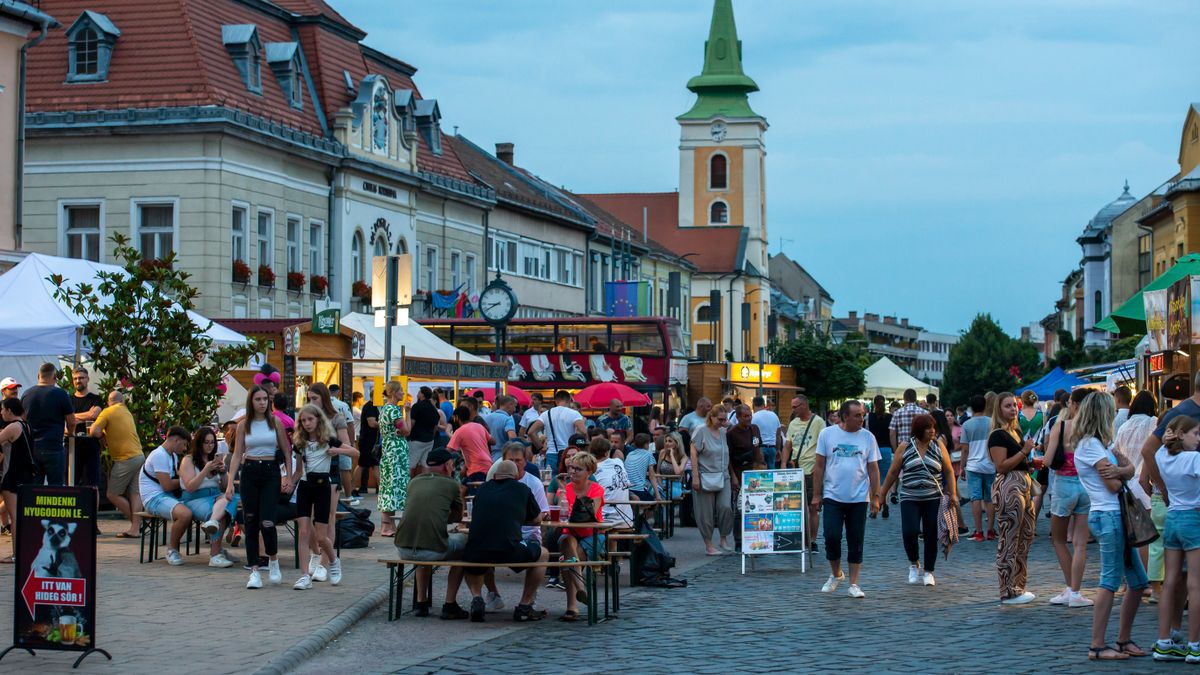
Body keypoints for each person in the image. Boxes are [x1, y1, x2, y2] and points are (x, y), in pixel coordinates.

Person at [1072, 391, 1147, 660]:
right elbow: (1114, 484)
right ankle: (1097, 645)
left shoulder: (1101, 445)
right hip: (1108, 515)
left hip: (1115, 515)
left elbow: (1127, 468)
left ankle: (1123, 639)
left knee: (1138, 582)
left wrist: (1122, 470)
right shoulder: (1091, 446)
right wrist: (1122, 471)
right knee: (1110, 580)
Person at [461, 460, 548, 623]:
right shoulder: (522, 488)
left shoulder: (483, 489)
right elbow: (537, 520)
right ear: (515, 476)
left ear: (494, 475)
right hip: (509, 548)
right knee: (543, 553)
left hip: (476, 551)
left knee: (472, 552)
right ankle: (524, 605)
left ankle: (477, 597)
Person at [812, 400, 881, 598]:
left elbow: (873, 469)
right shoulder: (828, 434)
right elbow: (819, 466)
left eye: (862, 415)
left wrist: (876, 496)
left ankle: (854, 583)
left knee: (855, 540)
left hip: (858, 497)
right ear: (844, 417)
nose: (862, 418)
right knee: (832, 537)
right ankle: (836, 574)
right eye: (857, 415)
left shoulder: (868, 437)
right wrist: (817, 494)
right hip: (833, 495)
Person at [226, 385, 294, 588]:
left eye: (265, 399)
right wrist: (230, 482)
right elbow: (237, 454)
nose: (263, 402)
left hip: (270, 472)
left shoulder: (275, 422)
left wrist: (288, 477)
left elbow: (287, 451)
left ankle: (273, 560)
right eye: (258, 399)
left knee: (267, 521)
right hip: (250, 471)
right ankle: (254, 569)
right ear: (251, 402)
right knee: (250, 520)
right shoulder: (243, 425)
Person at [878, 414, 956, 587]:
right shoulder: (905, 446)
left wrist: (954, 493)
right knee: (910, 532)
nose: (932, 431)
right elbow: (892, 472)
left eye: (933, 427)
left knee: (930, 534)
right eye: (928, 428)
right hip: (909, 497)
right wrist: (882, 494)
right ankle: (914, 563)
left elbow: (949, 471)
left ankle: (929, 571)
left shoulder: (938, 445)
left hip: (933, 497)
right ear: (919, 430)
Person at [394, 448, 470, 619]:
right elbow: (458, 517)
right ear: (447, 465)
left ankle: (421, 602)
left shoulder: (414, 481)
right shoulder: (451, 484)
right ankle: (450, 604)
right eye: (451, 465)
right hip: (432, 550)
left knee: (424, 542)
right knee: (465, 545)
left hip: (402, 547)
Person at [1149, 416, 1200, 661]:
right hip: (1193, 519)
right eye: (1196, 434)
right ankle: (1194, 644)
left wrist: (1167, 438)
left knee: (1169, 581)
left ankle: (1164, 641)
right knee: (1195, 583)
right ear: (1182, 435)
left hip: (1173, 519)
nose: (1198, 439)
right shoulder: (1194, 459)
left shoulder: (1163, 457)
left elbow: (1156, 449)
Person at [291, 404, 352, 590]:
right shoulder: (300, 442)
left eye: (310, 419)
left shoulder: (328, 440)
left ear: (318, 420)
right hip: (304, 485)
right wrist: (288, 482)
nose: (307, 423)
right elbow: (299, 470)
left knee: (321, 537)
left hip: (323, 486)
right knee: (302, 531)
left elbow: (354, 452)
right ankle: (303, 575)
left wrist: (337, 451)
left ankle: (333, 560)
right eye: (303, 420)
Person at [1042, 388, 1093, 608]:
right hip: (1086, 486)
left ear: (1073, 404)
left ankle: (1071, 588)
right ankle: (1075, 591)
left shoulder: (1061, 426)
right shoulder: (1093, 429)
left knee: (1059, 540)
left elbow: (1047, 459)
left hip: (1063, 486)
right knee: (1081, 544)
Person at [989, 392, 1038, 605]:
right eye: (1007, 406)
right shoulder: (997, 435)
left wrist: (1031, 463)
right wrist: (1024, 452)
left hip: (1024, 486)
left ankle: (1018, 585)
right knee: (1009, 539)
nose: (1013, 409)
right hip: (1009, 488)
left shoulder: (1015, 432)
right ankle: (1007, 589)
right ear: (998, 410)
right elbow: (1001, 465)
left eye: (1014, 405)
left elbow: (1017, 461)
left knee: (1025, 537)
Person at [556, 451, 605, 621]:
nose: (573, 472)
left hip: (592, 534)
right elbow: (562, 513)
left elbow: (589, 515)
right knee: (566, 543)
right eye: (571, 468)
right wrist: (562, 490)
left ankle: (572, 606)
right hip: (570, 534)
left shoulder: (596, 489)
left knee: (566, 560)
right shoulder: (566, 488)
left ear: (589, 472)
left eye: (578, 469)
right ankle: (581, 587)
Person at [90, 390, 144, 538]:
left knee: (112, 494)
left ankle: (136, 523)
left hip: (125, 458)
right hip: (139, 456)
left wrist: (102, 436)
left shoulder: (108, 412)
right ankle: (135, 529)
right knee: (135, 493)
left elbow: (93, 431)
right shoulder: (126, 412)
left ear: (109, 401)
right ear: (123, 401)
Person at [179, 427, 235, 568]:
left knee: (231, 498)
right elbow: (190, 487)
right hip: (194, 498)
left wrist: (223, 472)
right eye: (206, 442)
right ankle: (215, 555)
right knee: (224, 511)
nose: (210, 446)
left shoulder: (214, 459)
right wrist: (205, 470)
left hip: (215, 496)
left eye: (212, 442)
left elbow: (225, 487)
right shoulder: (188, 460)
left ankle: (212, 523)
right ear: (199, 443)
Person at [139, 426, 195, 567]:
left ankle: (217, 550)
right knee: (185, 514)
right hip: (153, 499)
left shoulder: (173, 456)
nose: (184, 449)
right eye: (184, 444)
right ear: (176, 441)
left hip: (167, 496)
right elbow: (167, 485)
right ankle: (172, 549)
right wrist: (187, 481)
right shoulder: (159, 455)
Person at [20, 362, 76, 485]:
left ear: (38, 376)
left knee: (33, 488)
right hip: (53, 447)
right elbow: (72, 421)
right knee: (55, 488)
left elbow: (22, 420)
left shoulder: (26, 394)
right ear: (54, 377)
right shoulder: (61, 394)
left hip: (32, 448)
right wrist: (70, 433)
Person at [690, 405, 735, 555]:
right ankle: (708, 544)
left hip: (723, 475)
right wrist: (695, 476)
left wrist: (732, 475)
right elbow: (693, 452)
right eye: (720, 419)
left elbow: (726, 454)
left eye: (724, 419)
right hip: (705, 475)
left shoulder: (723, 431)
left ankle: (723, 538)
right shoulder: (701, 430)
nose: (722, 422)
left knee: (726, 507)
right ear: (711, 417)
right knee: (706, 513)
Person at [783, 395, 825, 550]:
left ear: (805, 405)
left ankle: (812, 540)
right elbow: (788, 445)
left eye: (796, 406)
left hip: (812, 470)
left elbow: (823, 444)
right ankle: (797, 538)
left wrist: (820, 464)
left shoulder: (818, 422)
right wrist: (783, 464)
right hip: (795, 470)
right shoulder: (793, 424)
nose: (793, 410)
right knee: (794, 507)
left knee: (813, 507)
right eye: (792, 406)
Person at [0, 398, 34, 562]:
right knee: (16, 513)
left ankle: (16, 555)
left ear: (9, 410)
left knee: (15, 517)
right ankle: (22, 552)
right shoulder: (26, 426)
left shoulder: (12, 427)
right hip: (25, 475)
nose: (1, 413)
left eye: (2, 409)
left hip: (12, 476)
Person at [959, 395, 996, 541]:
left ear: (972, 407)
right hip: (990, 465)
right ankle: (991, 531)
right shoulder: (992, 423)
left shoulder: (967, 425)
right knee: (990, 498)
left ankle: (979, 532)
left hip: (973, 466)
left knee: (976, 498)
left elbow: (964, 450)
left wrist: (962, 467)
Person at [525, 390, 586, 472]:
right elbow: (583, 431)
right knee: (569, 480)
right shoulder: (574, 414)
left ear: (556, 401)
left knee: (551, 481)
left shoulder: (546, 414)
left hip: (551, 454)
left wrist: (541, 448)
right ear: (569, 400)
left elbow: (531, 432)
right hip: (569, 454)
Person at [377, 380, 409, 538]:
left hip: (389, 450)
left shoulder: (385, 409)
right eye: (401, 390)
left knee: (388, 485)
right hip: (396, 453)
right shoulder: (394, 411)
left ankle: (390, 525)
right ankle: (386, 526)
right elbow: (406, 431)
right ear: (394, 392)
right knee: (393, 486)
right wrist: (407, 412)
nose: (403, 393)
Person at [69, 367, 103, 494]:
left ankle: (92, 514)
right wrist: (87, 414)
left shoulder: (96, 399)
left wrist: (73, 417)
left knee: (92, 486)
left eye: (81, 378)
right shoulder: (68, 400)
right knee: (71, 484)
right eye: (75, 379)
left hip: (91, 447)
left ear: (88, 379)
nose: (78, 381)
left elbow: (94, 415)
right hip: (72, 447)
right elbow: (66, 420)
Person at [590, 437, 633, 524]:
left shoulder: (591, 471)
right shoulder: (618, 462)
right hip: (627, 518)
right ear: (606, 453)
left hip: (604, 520)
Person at [448, 405, 494, 485]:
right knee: (464, 490)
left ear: (457, 417)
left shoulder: (459, 431)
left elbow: (448, 450)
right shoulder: (479, 426)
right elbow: (493, 441)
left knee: (474, 495)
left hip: (476, 468)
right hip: (488, 464)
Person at [867, 395, 894, 518]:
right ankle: (885, 502)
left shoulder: (869, 417)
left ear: (874, 404)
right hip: (886, 449)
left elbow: (866, 432)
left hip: (873, 449)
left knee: (872, 478)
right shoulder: (889, 417)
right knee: (885, 478)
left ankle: (874, 505)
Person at [727, 404, 764, 489]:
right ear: (738, 417)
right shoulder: (731, 433)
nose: (749, 418)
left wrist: (761, 464)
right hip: (740, 471)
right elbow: (728, 456)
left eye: (750, 415)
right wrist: (733, 476)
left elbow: (758, 446)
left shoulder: (755, 428)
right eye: (746, 416)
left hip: (755, 469)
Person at [408, 386, 441, 475]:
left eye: (419, 392)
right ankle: (425, 483)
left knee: (411, 464)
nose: (417, 394)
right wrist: (432, 436)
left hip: (416, 439)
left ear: (422, 395)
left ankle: (409, 485)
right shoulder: (434, 409)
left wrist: (407, 432)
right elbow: (435, 426)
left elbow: (412, 423)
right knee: (425, 464)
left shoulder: (416, 406)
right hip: (429, 440)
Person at [355, 395, 380, 498]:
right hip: (367, 441)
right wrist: (385, 424)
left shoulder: (373, 407)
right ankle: (352, 487)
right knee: (362, 465)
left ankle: (382, 490)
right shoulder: (370, 407)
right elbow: (372, 423)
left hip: (372, 441)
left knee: (375, 465)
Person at [624, 433, 658, 501]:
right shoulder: (648, 454)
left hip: (627, 489)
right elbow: (652, 476)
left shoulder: (630, 454)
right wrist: (658, 495)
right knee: (653, 504)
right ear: (646, 444)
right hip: (638, 489)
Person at [751, 396, 782, 470]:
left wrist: (755, 449)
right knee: (772, 472)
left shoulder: (753, 417)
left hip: (760, 448)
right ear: (764, 405)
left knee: (759, 472)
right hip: (772, 448)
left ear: (753, 405)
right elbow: (778, 435)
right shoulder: (774, 415)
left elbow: (753, 436)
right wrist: (778, 449)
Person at [484, 395, 518, 461]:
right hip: (502, 457)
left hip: (487, 457)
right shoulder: (508, 419)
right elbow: (512, 437)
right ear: (509, 405)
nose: (514, 410)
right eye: (514, 406)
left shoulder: (487, 418)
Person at [657, 431, 688, 501]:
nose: (667, 443)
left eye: (670, 441)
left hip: (676, 484)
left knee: (671, 494)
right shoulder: (662, 453)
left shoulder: (683, 457)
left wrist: (672, 456)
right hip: (663, 484)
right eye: (666, 441)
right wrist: (661, 485)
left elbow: (677, 472)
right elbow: (658, 472)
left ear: (677, 443)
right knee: (656, 492)